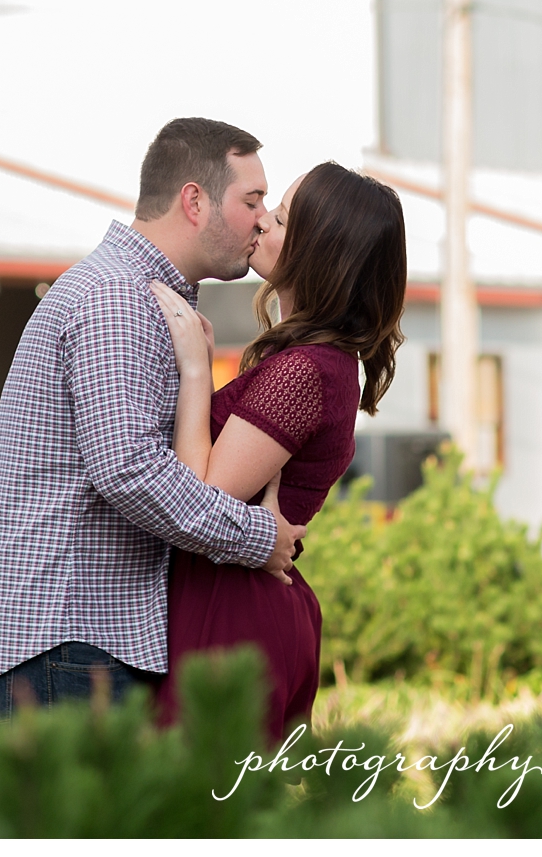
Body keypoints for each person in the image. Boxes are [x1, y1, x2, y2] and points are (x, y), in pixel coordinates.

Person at [0, 118, 308, 712]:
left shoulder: (132, 292)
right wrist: (257, 536)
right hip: (69, 645)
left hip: (69, 645)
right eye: (251, 201)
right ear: (194, 201)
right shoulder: (120, 298)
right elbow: (128, 469)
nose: (261, 219)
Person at [149, 161, 407, 741]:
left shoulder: (306, 372)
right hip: (236, 595)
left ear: (321, 252)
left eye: (283, 218)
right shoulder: (319, 363)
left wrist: (195, 370)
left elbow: (202, 496)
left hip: (233, 610)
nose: (260, 221)